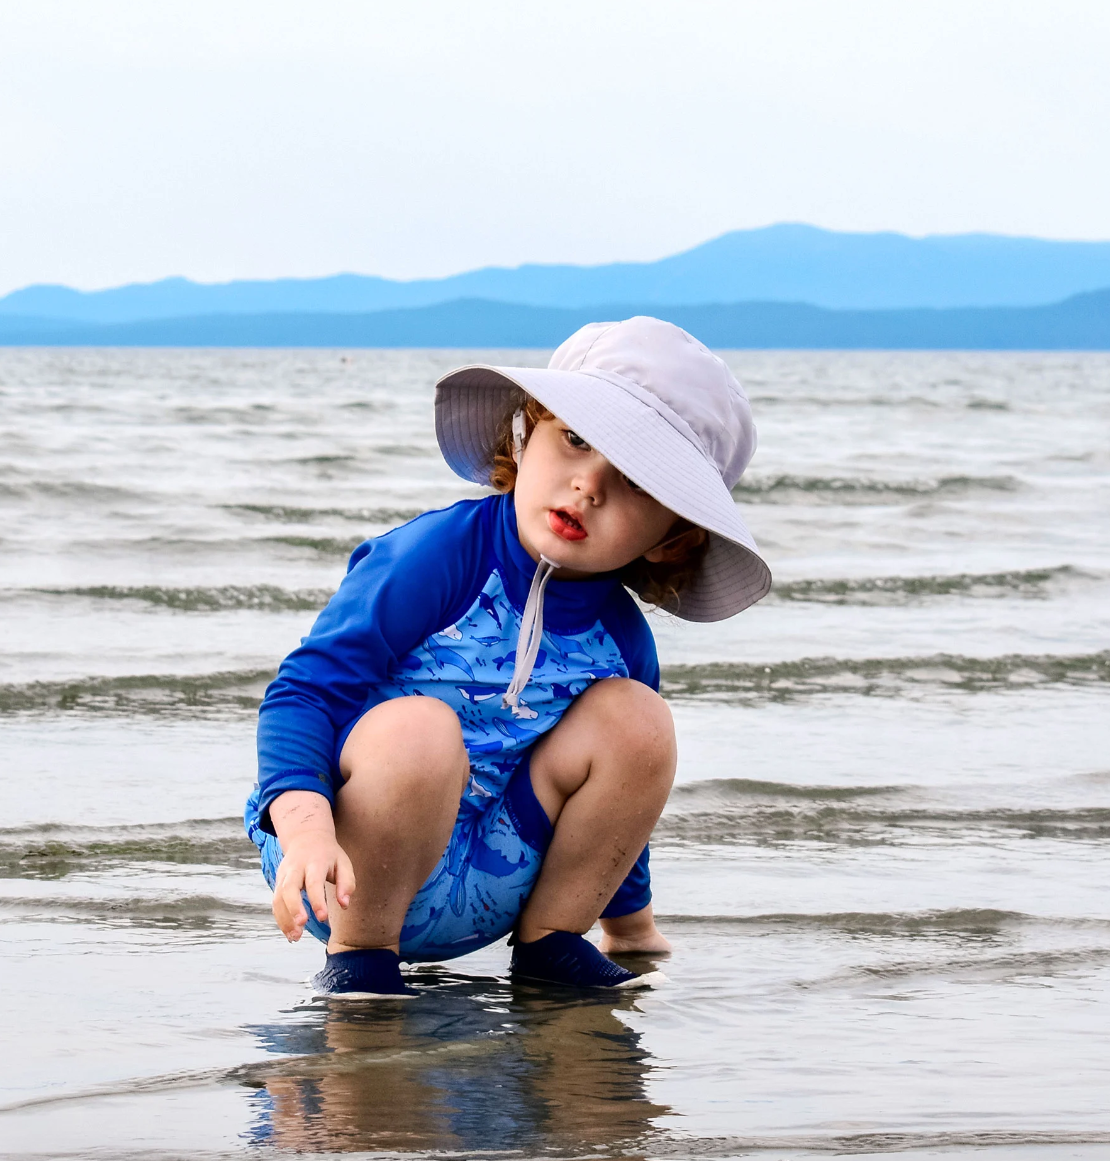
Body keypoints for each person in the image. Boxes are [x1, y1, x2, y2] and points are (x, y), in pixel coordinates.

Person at [243, 316, 770, 998]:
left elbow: (622, 809)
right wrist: (306, 832)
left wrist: (632, 924)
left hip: (497, 883)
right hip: (345, 865)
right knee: (419, 728)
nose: (588, 486)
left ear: (672, 538)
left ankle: (553, 943)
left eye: (636, 480)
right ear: (526, 433)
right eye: (575, 441)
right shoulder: (438, 557)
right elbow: (303, 693)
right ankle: (361, 963)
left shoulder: (620, 638)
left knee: (640, 722)